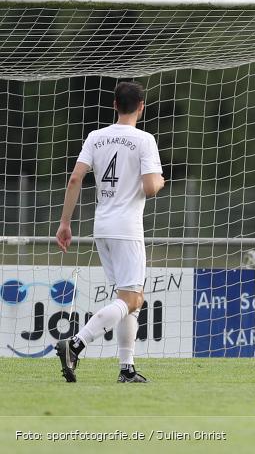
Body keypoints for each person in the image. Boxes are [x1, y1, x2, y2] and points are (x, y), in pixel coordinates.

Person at [54, 81, 165, 383]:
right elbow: (151, 186)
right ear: (141, 107)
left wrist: (65, 222)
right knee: (133, 299)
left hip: (101, 227)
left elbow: (75, 178)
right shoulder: (144, 139)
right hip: (127, 229)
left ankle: (126, 368)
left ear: (115, 105)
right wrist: (161, 181)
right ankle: (75, 344)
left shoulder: (95, 137)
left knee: (128, 297)